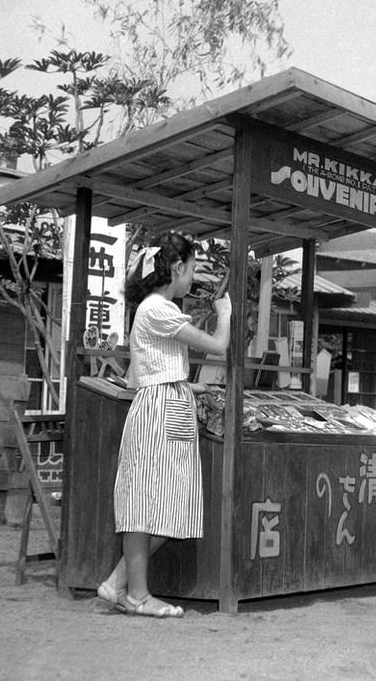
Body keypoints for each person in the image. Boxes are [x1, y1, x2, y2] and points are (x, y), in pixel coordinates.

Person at [96, 233, 232, 618]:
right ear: (176, 268)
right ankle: (134, 592)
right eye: (191, 270)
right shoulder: (159, 309)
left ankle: (120, 586)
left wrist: (187, 384)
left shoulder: (152, 308)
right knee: (157, 504)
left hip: (162, 402)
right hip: (160, 411)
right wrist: (225, 314)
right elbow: (217, 346)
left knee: (158, 503)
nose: (192, 279)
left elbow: (150, 370)